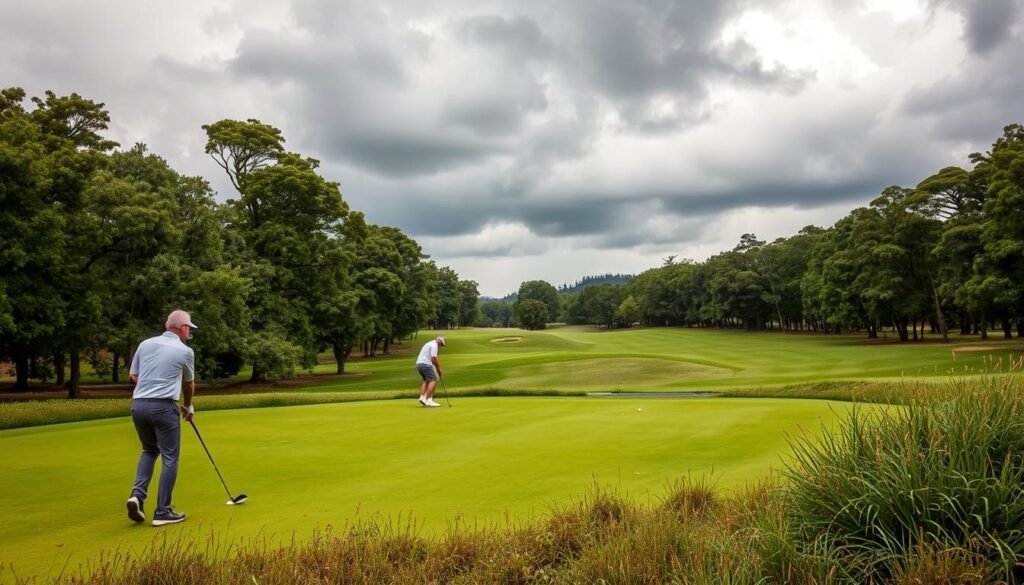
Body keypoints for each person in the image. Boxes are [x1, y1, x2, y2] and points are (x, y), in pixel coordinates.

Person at [125, 309, 197, 526]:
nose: (189, 332)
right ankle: (163, 511)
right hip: (164, 407)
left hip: (139, 406)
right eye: (189, 328)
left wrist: (150, 387)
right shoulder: (185, 351)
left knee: (149, 450)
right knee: (170, 457)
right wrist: (188, 405)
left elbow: (134, 375)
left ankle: (137, 496)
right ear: (183, 328)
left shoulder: (145, 344)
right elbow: (189, 383)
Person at [415, 335, 445, 407]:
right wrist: (438, 368)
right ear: (439, 341)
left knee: (426, 380)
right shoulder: (434, 345)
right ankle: (429, 400)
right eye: (441, 344)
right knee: (433, 380)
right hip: (426, 364)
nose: (441, 346)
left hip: (419, 364)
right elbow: (433, 359)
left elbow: (431, 360)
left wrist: (436, 369)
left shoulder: (428, 343)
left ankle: (422, 397)